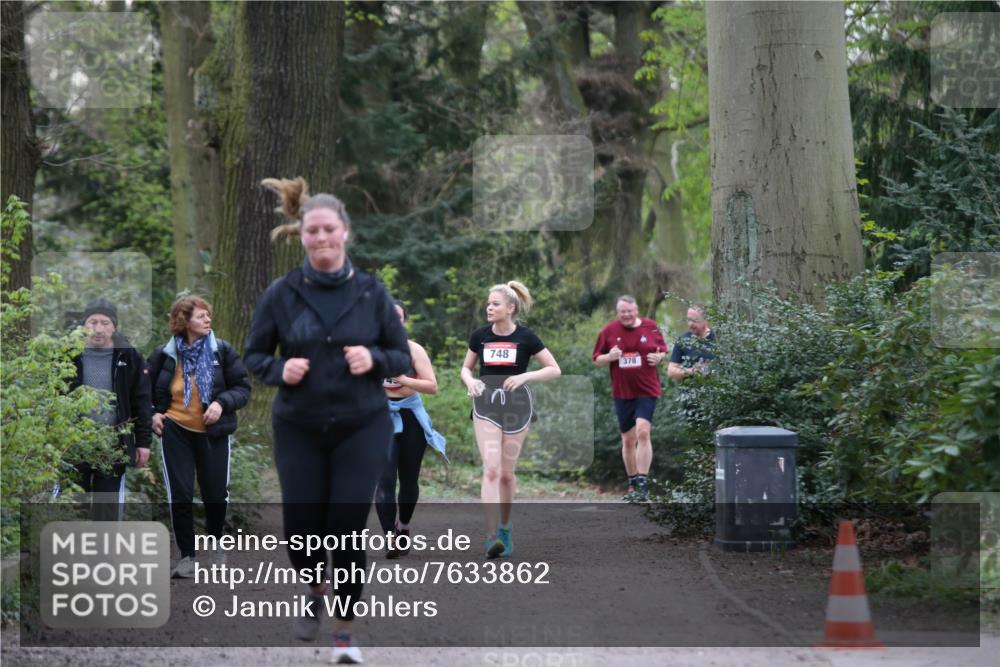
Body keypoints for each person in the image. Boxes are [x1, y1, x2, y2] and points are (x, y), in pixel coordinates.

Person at [244, 177, 410, 664]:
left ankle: (344, 634)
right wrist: (280, 369)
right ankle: (314, 587)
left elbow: (401, 356)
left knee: (345, 525)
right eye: (311, 231)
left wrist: (374, 360)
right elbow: (254, 355)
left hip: (362, 423)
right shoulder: (281, 294)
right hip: (299, 424)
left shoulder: (371, 293)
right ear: (301, 235)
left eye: (328, 230)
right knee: (300, 528)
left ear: (345, 234)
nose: (320, 238)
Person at [147, 295, 251, 578]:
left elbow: (243, 388)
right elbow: (143, 392)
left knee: (215, 494)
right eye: (201, 316)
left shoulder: (222, 351)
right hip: (176, 432)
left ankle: (217, 545)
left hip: (213, 433)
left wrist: (220, 403)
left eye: (208, 315)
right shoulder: (164, 355)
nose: (208, 320)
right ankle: (187, 557)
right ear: (184, 320)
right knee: (179, 495)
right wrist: (154, 413)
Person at [461, 281, 560, 558]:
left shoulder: (526, 337)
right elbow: (466, 369)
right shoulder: (480, 336)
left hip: (518, 406)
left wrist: (525, 376)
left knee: (506, 473)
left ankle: (505, 526)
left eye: (494, 304)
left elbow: (554, 369)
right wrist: (471, 382)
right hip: (486, 405)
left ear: (510, 308)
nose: (489, 308)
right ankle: (491, 535)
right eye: (488, 303)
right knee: (490, 470)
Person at [64, 298, 152, 520]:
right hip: (72, 442)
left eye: (105, 323)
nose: (99, 328)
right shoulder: (67, 353)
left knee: (107, 507)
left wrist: (143, 443)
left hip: (113, 443)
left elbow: (141, 401)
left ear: (114, 327)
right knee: (73, 504)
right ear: (84, 324)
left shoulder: (129, 355)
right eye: (93, 322)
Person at [376, 300, 447, 559]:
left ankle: (403, 526)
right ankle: (390, 538)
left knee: (408, 481)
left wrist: (402, 378)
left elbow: (432, 386)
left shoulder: (413, 350)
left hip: (410, 416)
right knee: (384, 480)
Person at [592, 295, 667, 500]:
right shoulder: (608, 331)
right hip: (622, 392)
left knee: (643, 432)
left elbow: (662, 351)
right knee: (628, 439)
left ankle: (643, 482)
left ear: (637, 311)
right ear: (618, 313)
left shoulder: (651, 327)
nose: (626, 315)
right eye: (622, 311)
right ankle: (632, 481)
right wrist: (610, 357)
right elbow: (597, 360)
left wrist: (658, 358)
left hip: (647, 388)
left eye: (629, 311)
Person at [667, 304, 715, 381]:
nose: (690, 324)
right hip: (690, 391)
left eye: (694, 320)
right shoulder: (683, 340)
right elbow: (671, 372)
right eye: (689, 320)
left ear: (705, 320)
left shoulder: (718, 338)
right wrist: (692, 371)